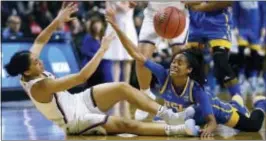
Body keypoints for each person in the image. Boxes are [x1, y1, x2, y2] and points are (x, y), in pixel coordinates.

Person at [4, 2, 199, 136]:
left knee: (122, 87)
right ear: (28, 72)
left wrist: (57, 20)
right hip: (74, 120)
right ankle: (178, 130)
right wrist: (103, 49)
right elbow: (82, 77)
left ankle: (171, 116)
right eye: (35, 62)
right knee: (126, 124)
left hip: (76, 101)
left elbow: (39, 40)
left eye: (37, 58)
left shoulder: (26, 68)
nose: (40, 61)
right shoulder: (41, 86)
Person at [105, 8, 216, 137]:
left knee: (241, 121)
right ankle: (175, 117)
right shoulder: (164, 74)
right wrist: (116, 27)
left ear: (189, 70)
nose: (174, 65)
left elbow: (212, 121)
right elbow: (136, 54)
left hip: (216, 110)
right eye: (173, 62)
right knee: (158, 122)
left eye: (179, 63)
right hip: (177, 117)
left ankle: (236, 103)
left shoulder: (196, 89)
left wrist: (210, 128)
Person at [128, 1, 191, 121]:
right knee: (141, 58)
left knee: (180, 58)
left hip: (178, 14)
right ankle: (145, 95)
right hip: (154, 14)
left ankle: (178, 101)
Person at [184, 2, 243, 98]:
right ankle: (196, 102)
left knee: (221, 63)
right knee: (190, 65)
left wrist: (202, 7)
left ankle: (238, 101)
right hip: (195, 24)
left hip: (217, 24)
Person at [103, 1, 138, 119]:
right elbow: (108, 13)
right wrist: (110, 7)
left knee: (127, 71)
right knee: (116, 75)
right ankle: (116, 106)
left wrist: (115, 3)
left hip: (127, 28)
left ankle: (126, 104)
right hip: (115, 28)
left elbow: (127, 8)